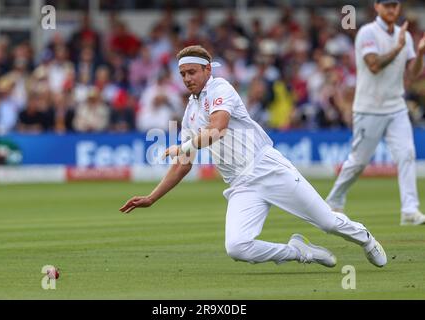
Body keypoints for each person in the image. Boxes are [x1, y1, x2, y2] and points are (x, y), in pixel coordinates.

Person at [120, 45, 387, 268]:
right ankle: (299, 252)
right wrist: (151, 198)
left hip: (267, 167)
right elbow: (183, 165)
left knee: (327, 223)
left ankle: (365, 238)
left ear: (207, 70)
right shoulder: (190, 110)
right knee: (237, 247)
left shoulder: (220, 88)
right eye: (182, 74)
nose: (187, 78)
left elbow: (218, 128)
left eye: (192, 72)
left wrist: (186, 146)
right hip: (240, 184)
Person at [326, 0, 425, 226]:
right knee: (359, 161)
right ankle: (334, 199)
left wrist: (419, 54)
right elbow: (373, 65)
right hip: (369, 108)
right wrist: (398, 48)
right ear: (377, 7)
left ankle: (410, 211)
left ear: (398, 8)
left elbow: (412, 75)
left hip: (396, 106)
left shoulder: (405, 36)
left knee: (407, 154)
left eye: (395, 6)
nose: (391, 10)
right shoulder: (367, 33)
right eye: (387, 5)